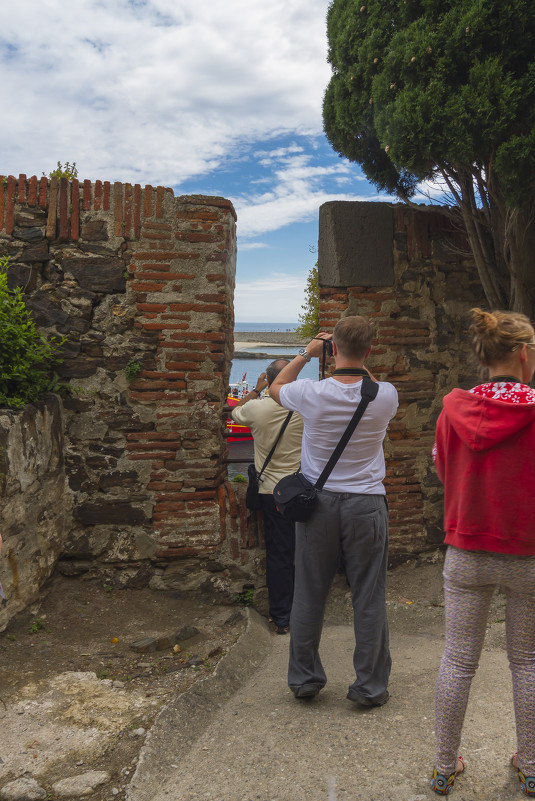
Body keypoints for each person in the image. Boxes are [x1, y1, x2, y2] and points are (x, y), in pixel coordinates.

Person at [431, 308, 535, 796]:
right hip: (529, 553)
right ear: (522, 352)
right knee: (528, 663)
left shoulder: (453, 409)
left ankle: (443, 765)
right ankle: (531, 765)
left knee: (457, 660)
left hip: (467, 547)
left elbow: (442, 470)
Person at [270, 315, 398, 702]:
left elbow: (276, 387)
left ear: (334, 349)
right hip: (367, 504)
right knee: (368, 595)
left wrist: (307, 353)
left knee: (309, 592)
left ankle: (305, 680)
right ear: (370, 350)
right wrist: (353, 355)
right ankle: (370, 687)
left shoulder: (311, 392)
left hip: (318, 505)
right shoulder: (386, 395)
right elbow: (368, 384)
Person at [231, 360, 304, 634]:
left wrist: (257, 390)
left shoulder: (257, 407)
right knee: (308, 551)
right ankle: (306, 610)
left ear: (270, 379)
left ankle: (282, 617)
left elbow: (234, 410)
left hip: (271, 492)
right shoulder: (305, 408)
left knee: (279, 555)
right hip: (303, 490)